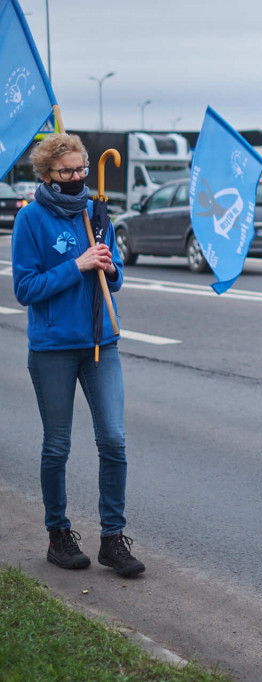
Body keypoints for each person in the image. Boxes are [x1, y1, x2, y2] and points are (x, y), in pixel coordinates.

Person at [11, 133, 145, 577]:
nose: (75, 178)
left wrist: (109, 266)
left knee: (114, 440)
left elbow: (116, 276)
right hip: (53, 349)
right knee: (58, 445)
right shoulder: (31, 219)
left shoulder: (95, 210)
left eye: (81, 169)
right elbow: (26, 289)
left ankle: (112, 538)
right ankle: (58, 533)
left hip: (101, 343)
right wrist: (77, 266)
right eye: (66, 172)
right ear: (47, 174)